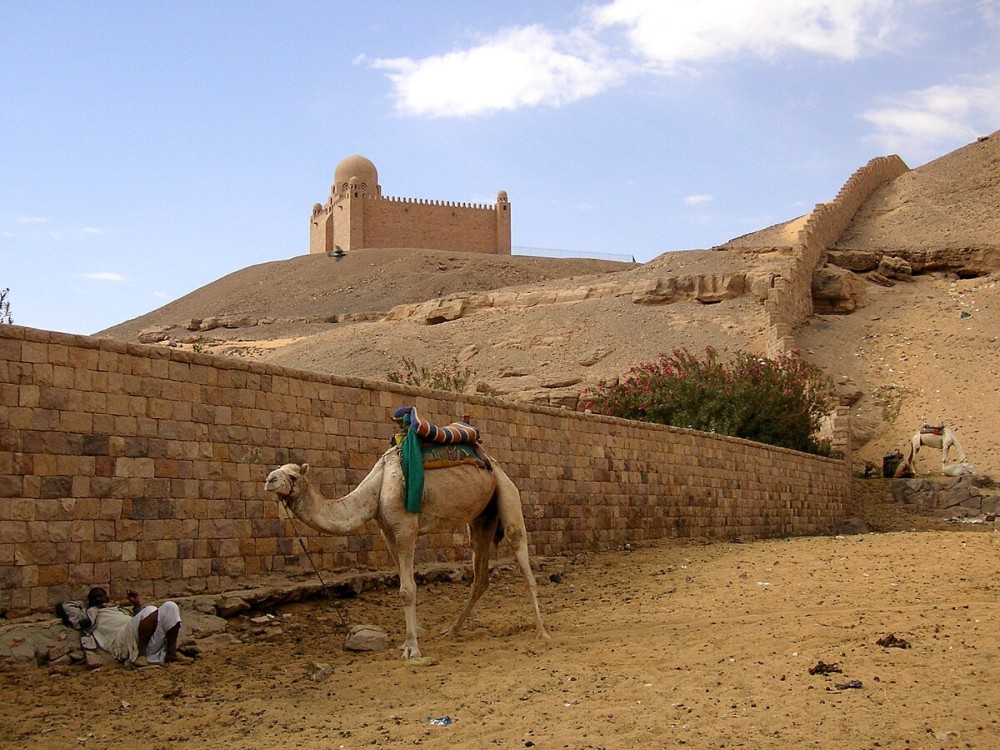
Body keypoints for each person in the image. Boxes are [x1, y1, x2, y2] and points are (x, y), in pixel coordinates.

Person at [64, 587, 192, 667]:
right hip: (124, 642)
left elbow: (140, 621)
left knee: (171, 606)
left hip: (143, 640)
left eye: (100, 595)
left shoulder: (119, 610)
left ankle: (171, 653)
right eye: (94, 597)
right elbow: (65, 607)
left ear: (107, 598)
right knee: (151, 609)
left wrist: (136, 605)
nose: (98, 599)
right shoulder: (92, 614)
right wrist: (83, 605)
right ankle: (141, 657)